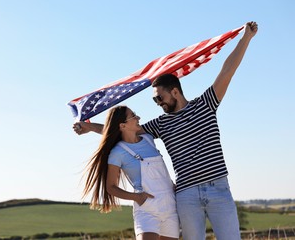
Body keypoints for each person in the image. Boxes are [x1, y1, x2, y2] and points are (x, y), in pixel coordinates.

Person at [74, 21, 258, 240]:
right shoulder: (161, 124)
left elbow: (228, 71)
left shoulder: (206, 104)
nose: (157, 102)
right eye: (154, 99)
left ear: (175, 92)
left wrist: (245, 38)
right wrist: (89, 127)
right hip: (186, 195)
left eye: (160, 97)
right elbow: (123, 129)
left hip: (218, 188)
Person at [82, 105, 179, 240]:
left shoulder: (148, 139)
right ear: (123, 126)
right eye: (133, 116)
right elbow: (111, 187)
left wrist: (91, 127)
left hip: (170, 207)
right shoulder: (118, 153)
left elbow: (110, 129)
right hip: (147, 210)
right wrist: (136, 197)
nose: (138, 118)